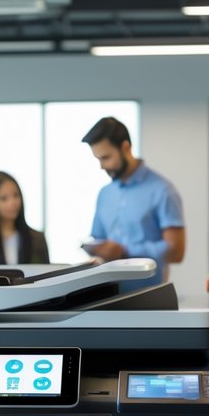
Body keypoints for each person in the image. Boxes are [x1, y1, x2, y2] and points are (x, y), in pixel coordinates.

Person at [82, 116, 185, 288]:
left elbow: (176, 251)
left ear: (125, 148)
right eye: (98, 159)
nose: (102, 166)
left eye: (106, 157)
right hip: (106, 295)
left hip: (148, 298)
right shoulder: (105, 194)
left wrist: (125, 252)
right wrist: (96, 250)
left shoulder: (163, 190)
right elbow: (99, 239)